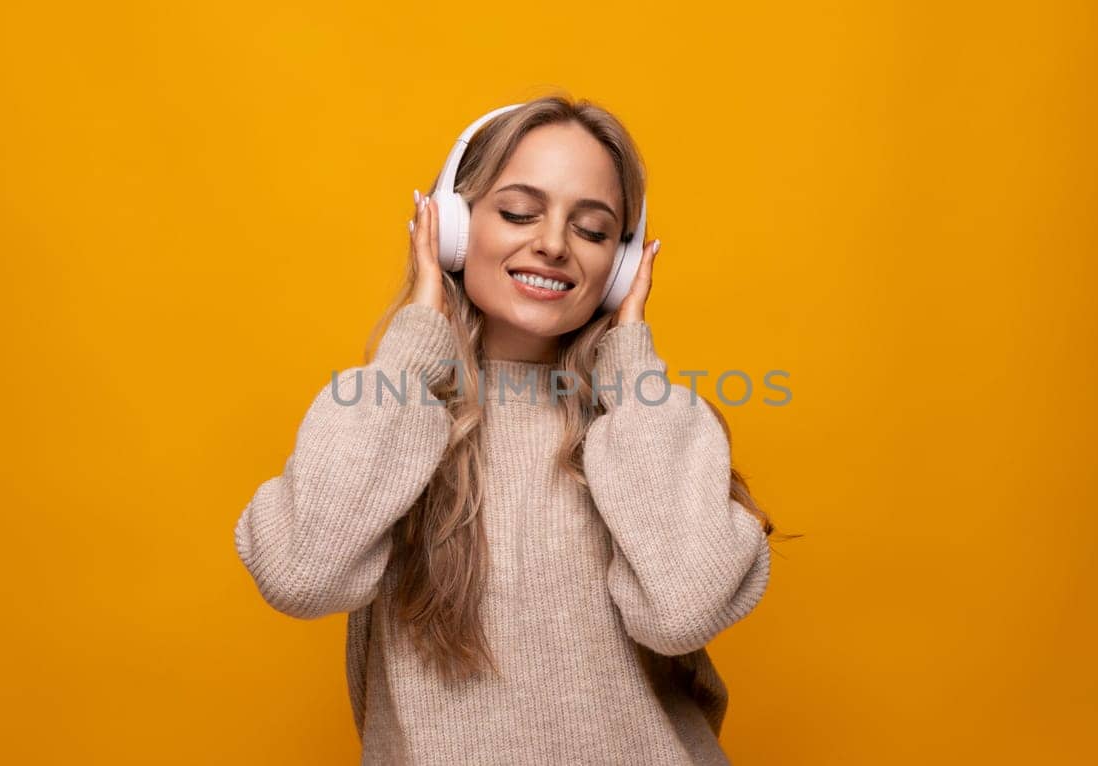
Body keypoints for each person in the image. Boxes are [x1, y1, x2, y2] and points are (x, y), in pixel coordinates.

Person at [234, 95, 785, 765]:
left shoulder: (650, 422)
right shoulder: (389, 413)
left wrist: (631, 365)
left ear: (620, 267)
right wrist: (413, 348)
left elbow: (681, 611)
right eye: (519, 213)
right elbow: (301, 576)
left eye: (592, 230)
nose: (552, 243)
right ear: (454, 228)